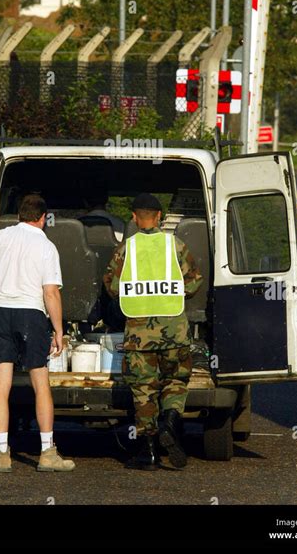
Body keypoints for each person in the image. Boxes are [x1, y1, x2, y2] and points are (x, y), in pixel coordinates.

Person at [0, 193, 75, 473]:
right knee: (40, 385)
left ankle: (2, 455)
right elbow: (50, 292)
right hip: (31, 316)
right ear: (42, 218)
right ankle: (47, 453)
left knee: (2, 386)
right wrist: (59, 331)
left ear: (20, 215)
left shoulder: (2, 236)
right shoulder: (46, 246)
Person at [103, 192, 203, 470]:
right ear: (159, 217)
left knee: (144, 392)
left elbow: (111, 286)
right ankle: (170, 422)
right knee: (175, 382)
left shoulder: (127, 249)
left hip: (139, 337)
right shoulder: (176, 245)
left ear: (134, 217)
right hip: (175, 332)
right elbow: (194, 282)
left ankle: (149, 453)